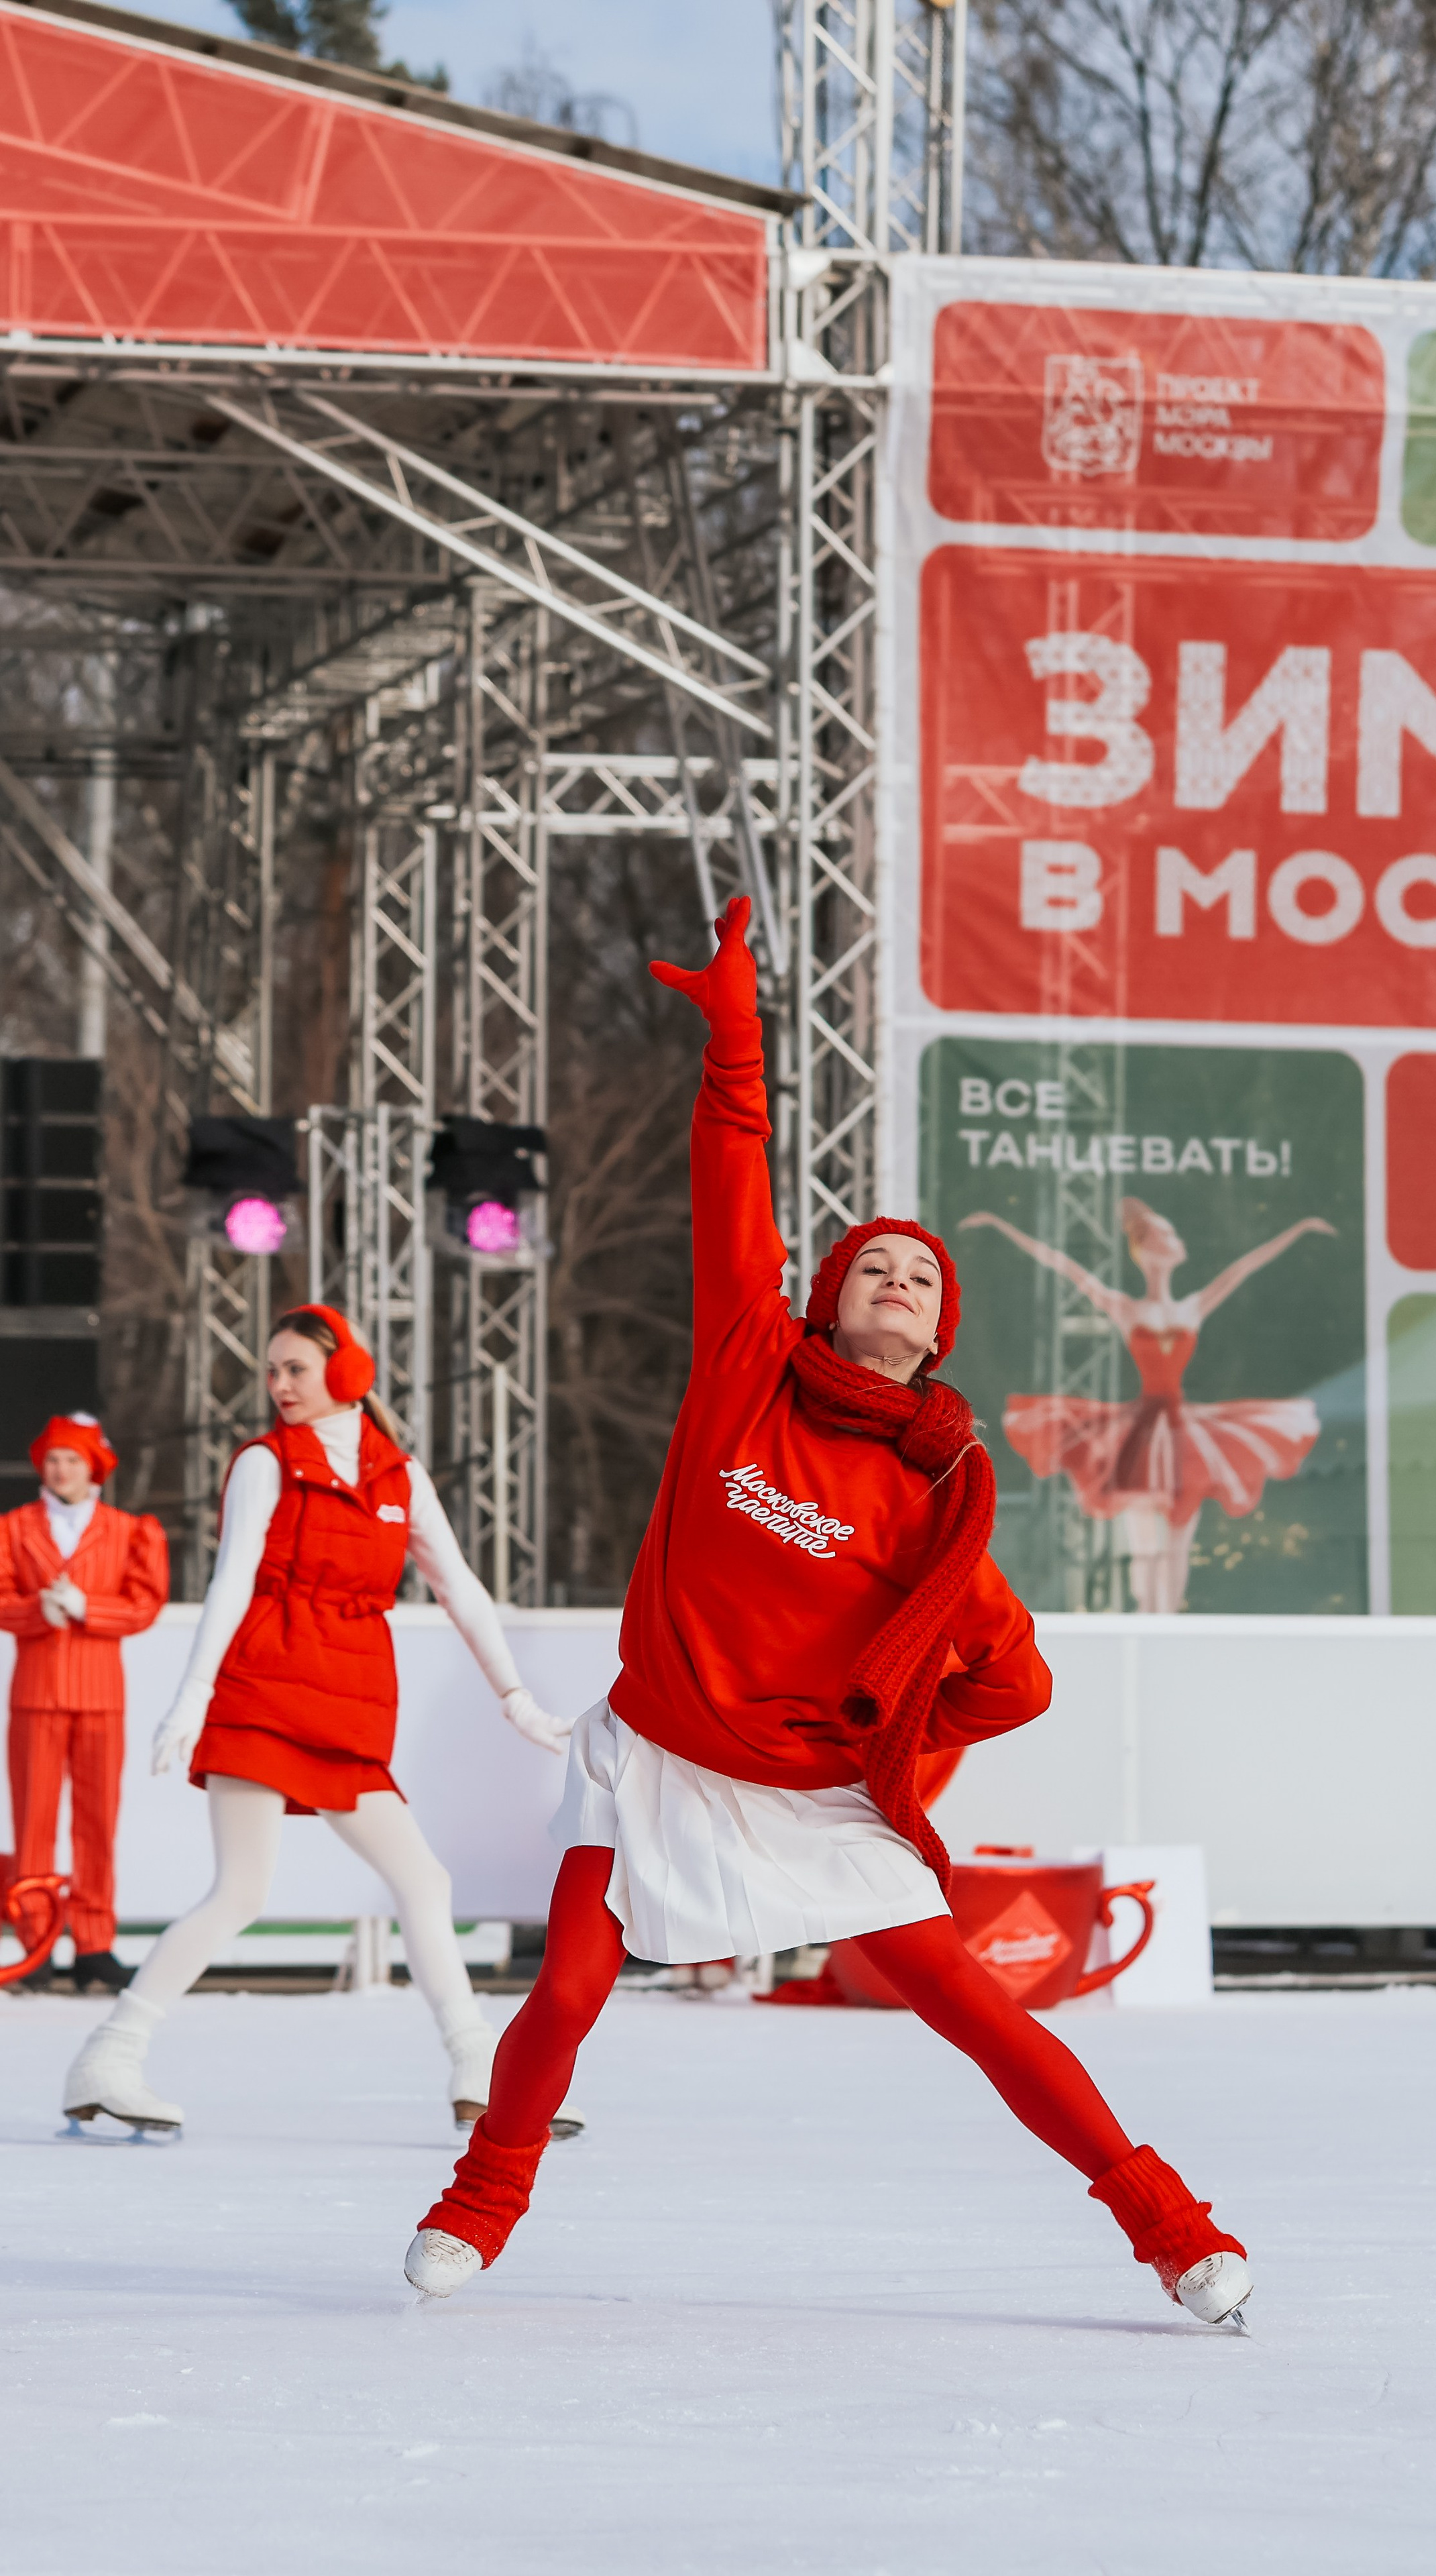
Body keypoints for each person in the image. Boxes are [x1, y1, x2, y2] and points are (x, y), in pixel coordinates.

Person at [403, 899, 1252, 2329]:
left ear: (938, 1333)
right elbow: (730, 1170)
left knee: (974, 2011)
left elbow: (1015, 1682)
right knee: (564, 1993)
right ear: (827, 1290)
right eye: (873, 1261)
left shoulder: (938, 1509)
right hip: (655, 1751)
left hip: (804, 1789)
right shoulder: (749, 1359)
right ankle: (480, 2202)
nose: (895, 1279)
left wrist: (883, 1746)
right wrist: (735, 1038)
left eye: (920, 1276)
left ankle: (1170, 2228)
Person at [61, 1305, 579, 2139]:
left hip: (346, 1704)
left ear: (347, 1373)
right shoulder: (265, 1464)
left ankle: (478, 2063)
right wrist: (193, 1697)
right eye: (272, 1370)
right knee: (241, 1891)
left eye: (295, 1368)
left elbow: (463, 1590)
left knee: (424, 1882)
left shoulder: (398, 1478)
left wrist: (514, 1696)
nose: (279, 1385)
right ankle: (110, 2054)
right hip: (264, 1691)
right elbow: (230, 1582)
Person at [962, 1198, 1334, 1612]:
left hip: (1179, 1432)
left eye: (1172, 1234)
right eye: (1164, 1234)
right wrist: (1001, 1224)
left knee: (1177, 1541)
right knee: (1144, 1544)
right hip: (1144, 1430)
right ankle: (1146, 1619)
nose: (1173, 1240)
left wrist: (1299, 1229)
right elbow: (1063, 1267)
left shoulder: (1192, 1306)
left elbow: (1244, 1269)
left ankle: (1168, 1619)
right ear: (1147, 1248)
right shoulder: (1127, 1308)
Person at [0, 1414, 168, 1992]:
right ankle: (37, 1942)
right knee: (34, 1824)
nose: (60, 1469)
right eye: (52, 1459)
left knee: (97, 1824)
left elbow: (145, 1604)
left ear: (92, 1467)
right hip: (37, 1696)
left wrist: (86, 1609)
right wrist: (33, 1613)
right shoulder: (15, 1527)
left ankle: (95, 1941)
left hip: (100, 1697)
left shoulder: (128, 1530)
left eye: (71, 1459)